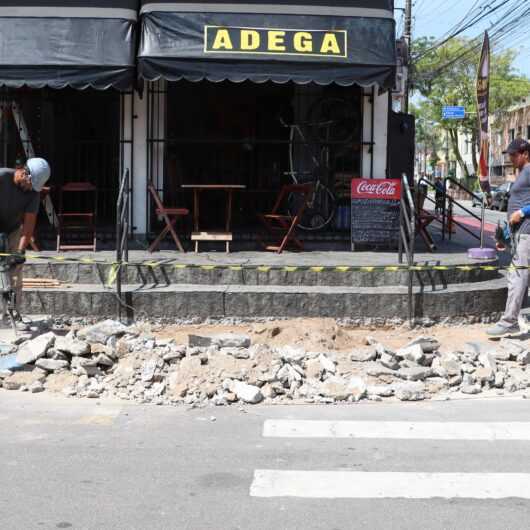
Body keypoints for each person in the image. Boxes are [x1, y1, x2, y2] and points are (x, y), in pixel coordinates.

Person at [487, 139, 530, 337]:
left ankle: (509, 321)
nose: (510, 158)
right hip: (519, 234)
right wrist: (506, 236)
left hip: (527, 233)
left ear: (525, 153)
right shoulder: (522, 172)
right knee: (519, 276)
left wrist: (522, 212)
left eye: (513, 155)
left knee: (517, 276)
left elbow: (521, 208)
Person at [0, 158, 50, 325]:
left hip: (13, 229)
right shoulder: (2, 177)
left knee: (14, 273)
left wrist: (19, 252)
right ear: (23, 172)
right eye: (30, 184)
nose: (31, 189)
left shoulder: (33, 194)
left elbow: (28, 226)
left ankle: (13, 314)